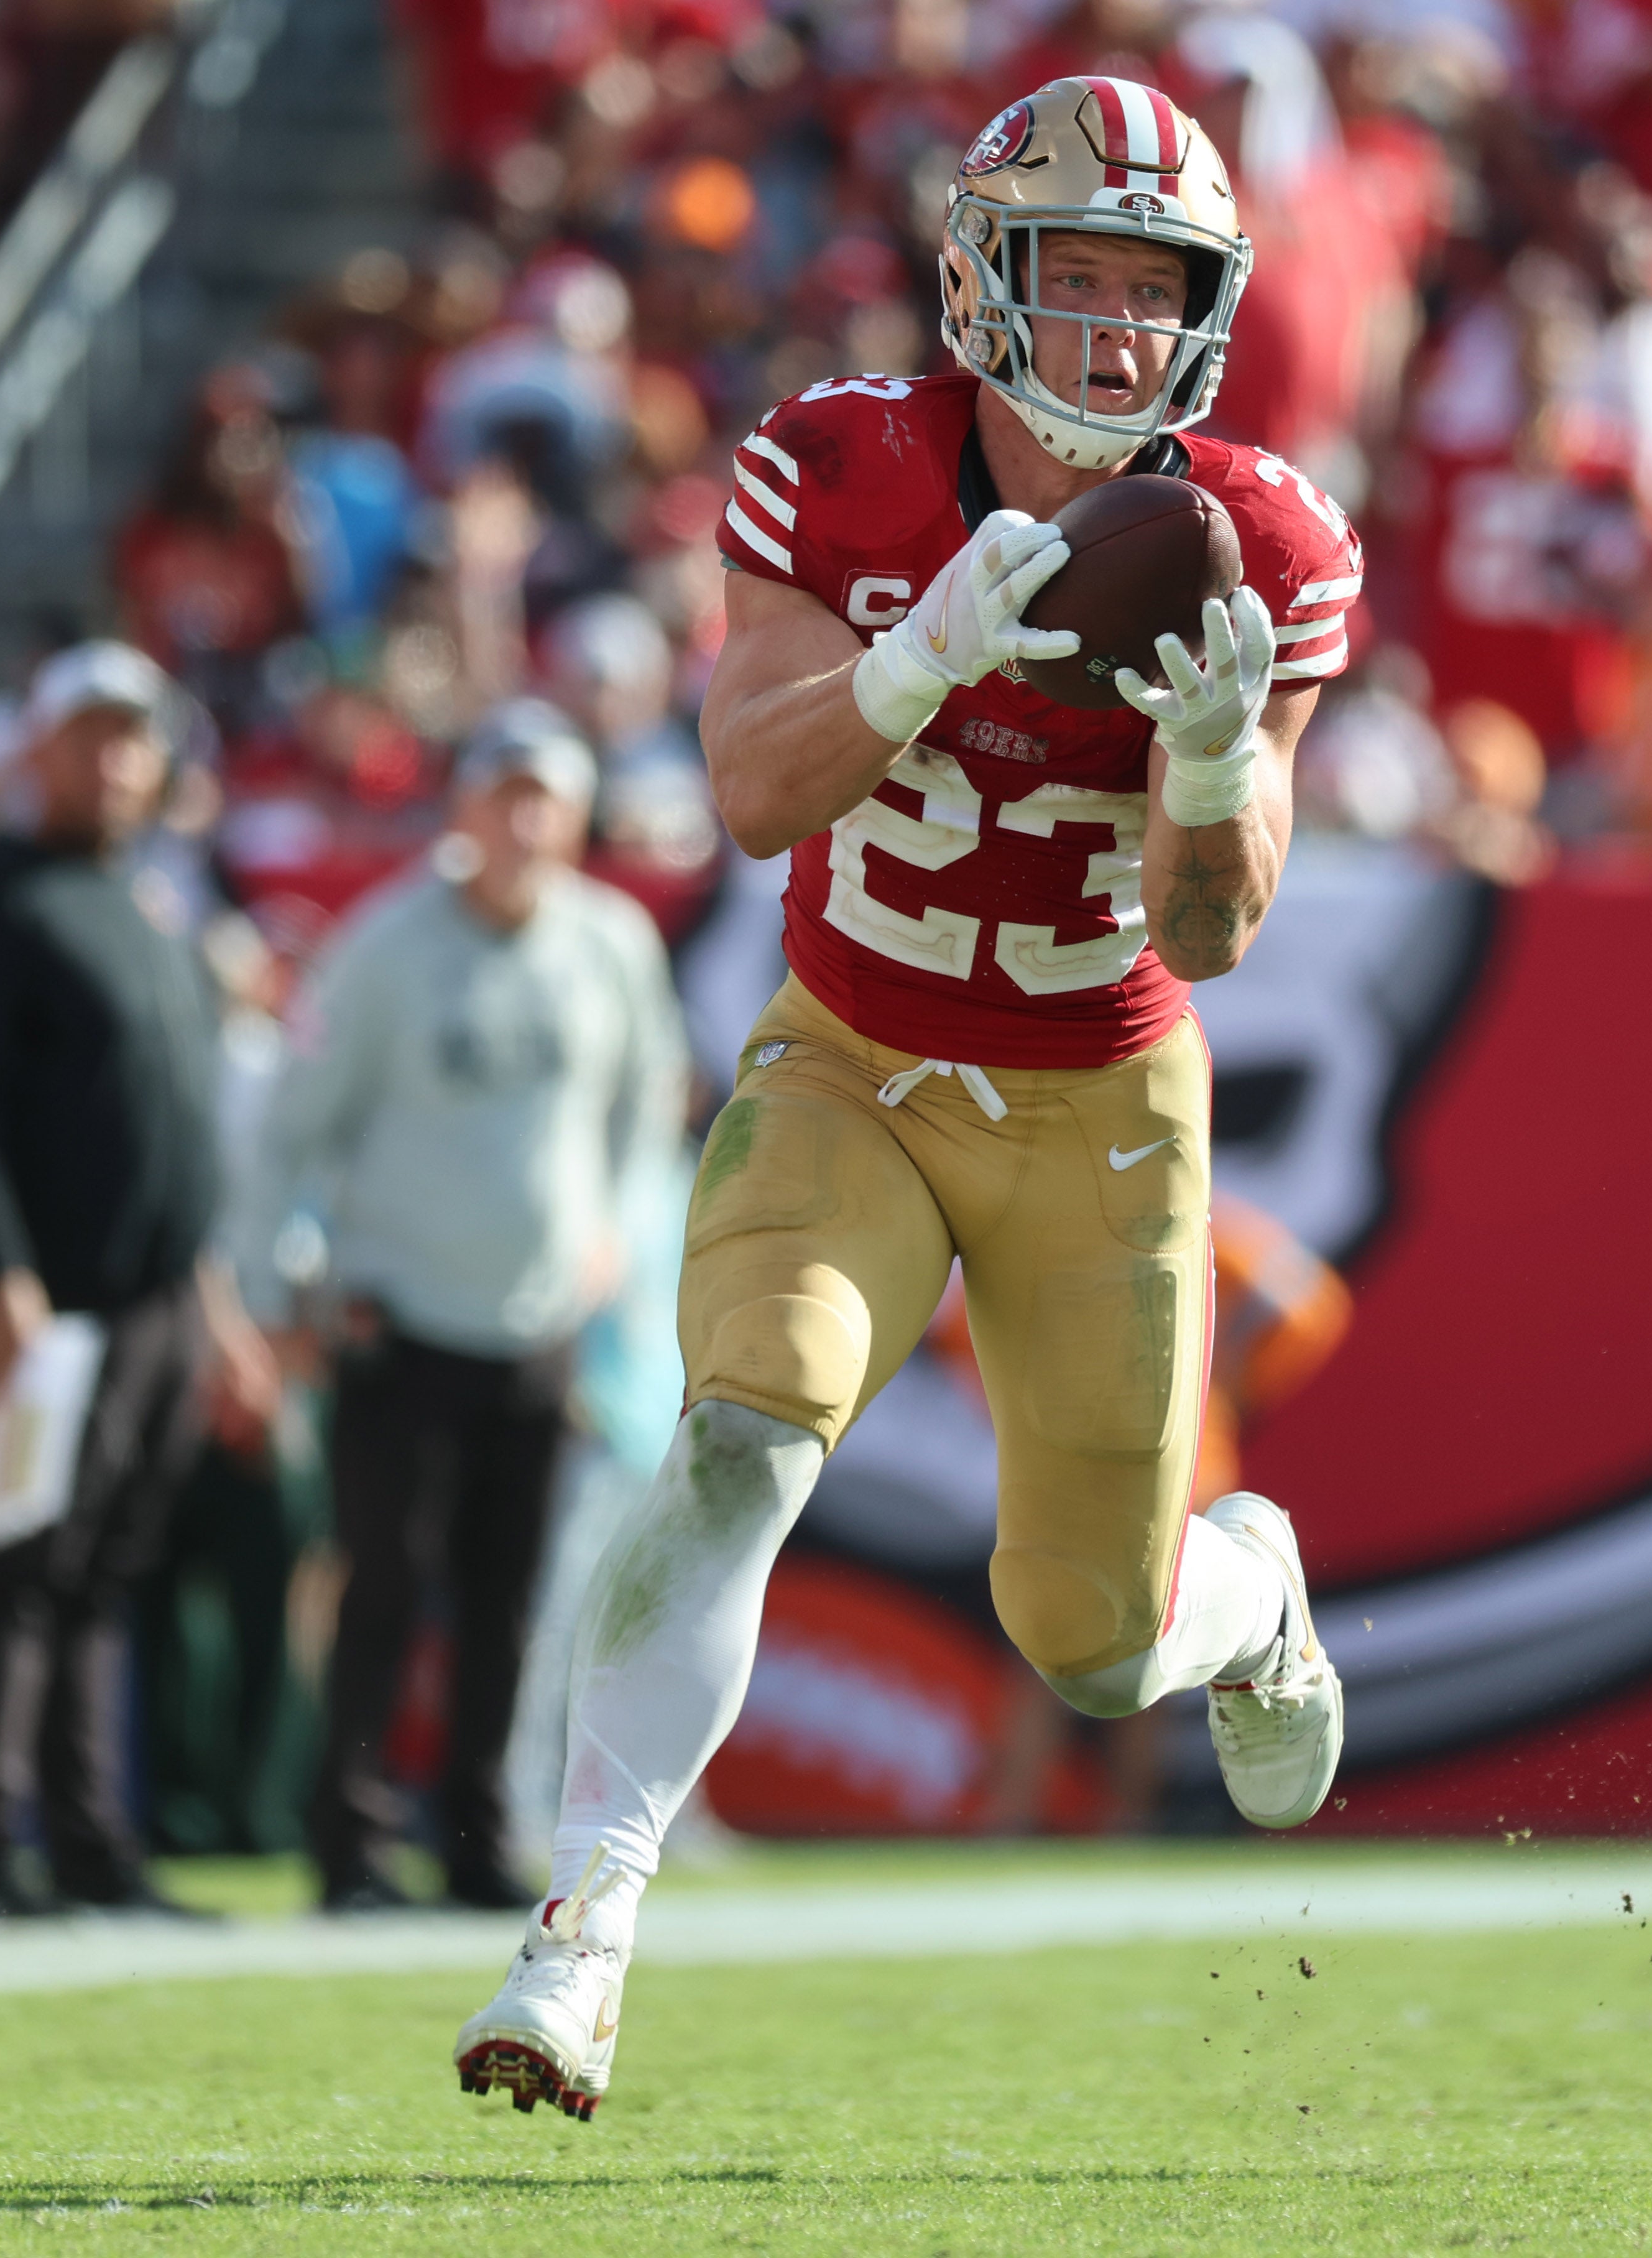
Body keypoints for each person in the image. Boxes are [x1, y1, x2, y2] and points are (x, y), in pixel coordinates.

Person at [455, 75, 1362, 2120]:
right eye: (1086, 278)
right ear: (982, 279)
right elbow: (754, 790)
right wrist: (914, 660)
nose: (1125, 332)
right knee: (732, 1442)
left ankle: (1254, 1592)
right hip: (853, 1053)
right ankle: (583, 1929)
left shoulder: (1258, 542)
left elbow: (1210, 928)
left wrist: (1214, 760)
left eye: (1163, 291)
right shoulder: (838, 472)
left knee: (1091, 1640)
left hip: (1097, 1102)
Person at [252, 699, 688, 1912]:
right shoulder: (386, 946)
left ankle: (477, 1835)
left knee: (508, 1604)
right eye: (506, 796)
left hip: (542, 1324)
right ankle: (348, 1840)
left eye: (548, 798)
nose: (527, 823)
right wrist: (268, 1283)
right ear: (464, 809)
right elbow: (294, 1125)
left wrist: (615, 1231)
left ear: (577, 815)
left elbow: (641, 1102)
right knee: (382, 1588)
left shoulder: (610, 942)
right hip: (397, 1318)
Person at [0, 641, 282, 1918]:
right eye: (94, 735)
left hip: (161, 1299)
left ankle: (88, 1846)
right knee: (23, 1558)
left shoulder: (153, 895)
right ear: (43, 747)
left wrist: (216, 1304)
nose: (117, 759)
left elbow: (176, 1118)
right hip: (50, 1302)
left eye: (136, 738)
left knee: (106, 1569)